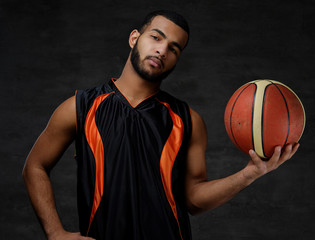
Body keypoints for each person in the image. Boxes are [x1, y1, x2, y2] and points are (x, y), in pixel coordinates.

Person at [22, 10, 300, 240]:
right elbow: (35, 166)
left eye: (174, 48)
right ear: (134, 38)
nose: (162, 49)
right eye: (156, 37)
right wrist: (55, 233)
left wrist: (249, 174)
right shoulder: (80, 106)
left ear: (177, 59)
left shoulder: (188, 119)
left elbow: (193, 200)